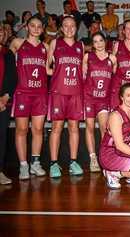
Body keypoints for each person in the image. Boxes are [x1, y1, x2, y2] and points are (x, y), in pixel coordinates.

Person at [10, 16, 48, 180]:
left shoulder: (46, 47)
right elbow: (7, 65)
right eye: (32, 25)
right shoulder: (17, 43)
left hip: (40, 93)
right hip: (23, 92)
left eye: (39, 26)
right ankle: (23, 165)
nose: (36, 29)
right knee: (22, 130)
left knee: (38, 129)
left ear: (43, 29)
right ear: (27, 27)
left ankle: (35, 162)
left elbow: (50, 70)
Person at [46, 16, 84, 178]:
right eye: (66, 26)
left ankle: (73, 161)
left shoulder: (80, 45)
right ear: (61, 28)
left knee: (74, 128)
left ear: (76, 28)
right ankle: (54, 163)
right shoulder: (55, 43)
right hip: (59, 92)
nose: (69, 28)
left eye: (72, 25)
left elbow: (82, 71)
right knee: (56, 128)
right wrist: (58, 77)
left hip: (75, 92)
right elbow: (47, 68)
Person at [83, 32, 117, 172]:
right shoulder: (88, 57)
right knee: (90, 127)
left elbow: (115, 78)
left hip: (104, 99)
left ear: (105, 41)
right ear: (93, 44)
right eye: (95, 41)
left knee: (104, 128)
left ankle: (105, 158)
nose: (98, 43)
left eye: (101, 40)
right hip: (89, 98)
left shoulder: (112, 58)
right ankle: (93, 159)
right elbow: (83, 75)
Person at [0, 23, 16, 185]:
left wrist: (5, 97)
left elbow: (12, 78)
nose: (0, 33)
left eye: (1, 31)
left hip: (3, 102)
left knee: (2, 137)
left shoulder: (8, 54)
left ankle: (0, 171)